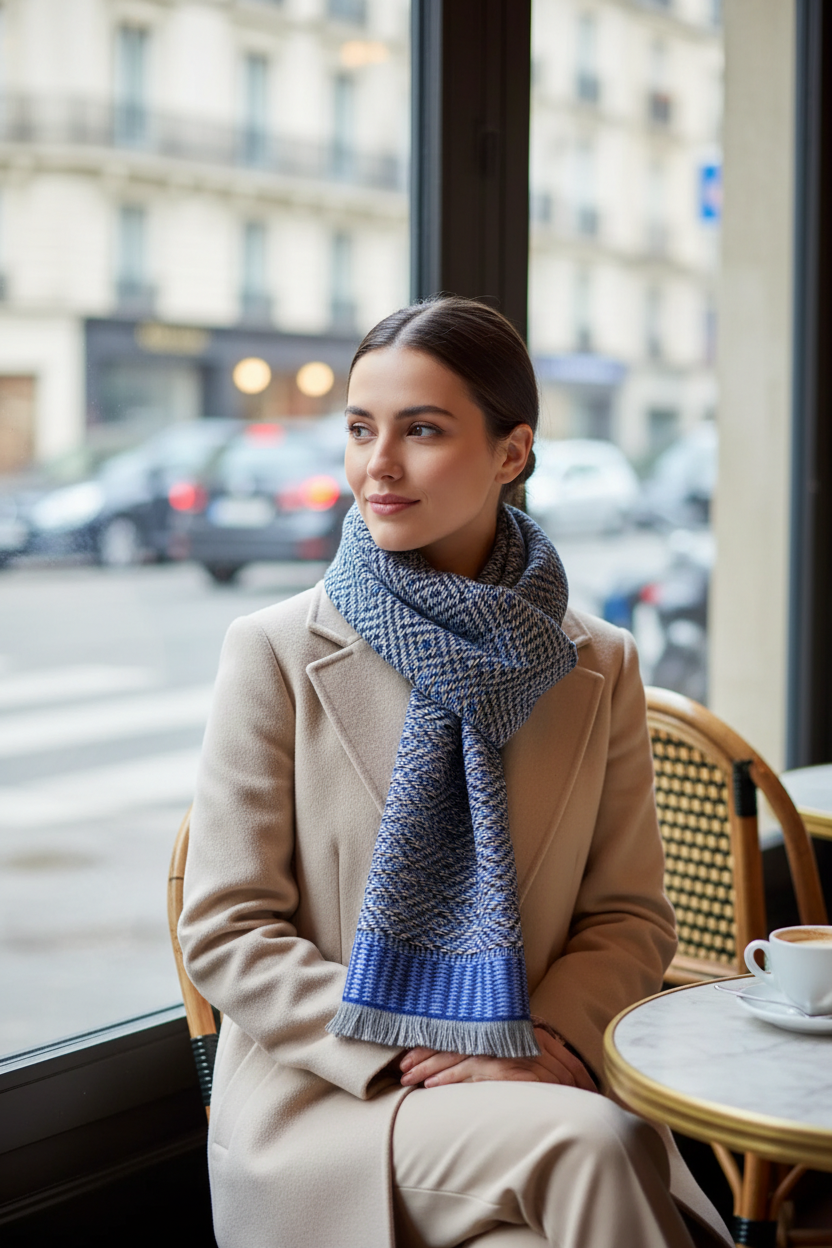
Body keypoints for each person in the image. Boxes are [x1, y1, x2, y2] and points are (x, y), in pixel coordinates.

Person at [179, 296, 732, 1248]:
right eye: (361, 430)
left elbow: (630, 917)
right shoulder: (274, 648)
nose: (377, 466)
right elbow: (228, 931)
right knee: (595, 1147)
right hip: (328, 1097)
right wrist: (428, 1038)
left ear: (512, 453)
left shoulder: (598, 664)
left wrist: (536, 1044)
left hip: (524, 1085)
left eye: (421, 431)